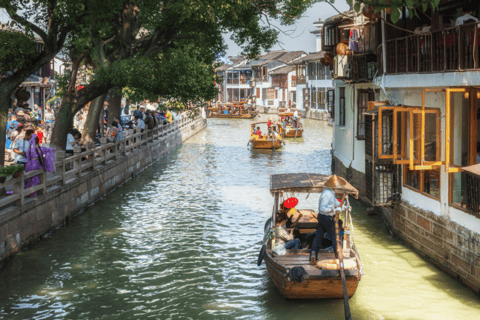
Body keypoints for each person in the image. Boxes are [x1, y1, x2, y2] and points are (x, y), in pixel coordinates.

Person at [310, 175, 349, 264]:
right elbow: (322, 208)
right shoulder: (326, 194)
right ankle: (338, 257)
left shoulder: (331, 192)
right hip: (325, 217)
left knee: (318, 237)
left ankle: (313, 256)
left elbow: (336, 203)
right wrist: (334, 210)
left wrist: (344, 207)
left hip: (325, 217)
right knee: (335, 237)